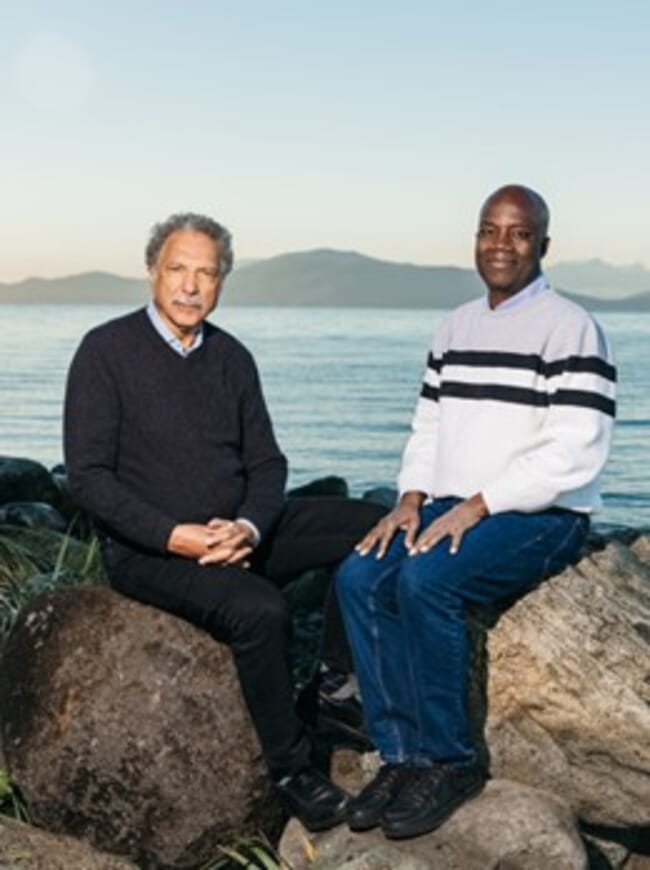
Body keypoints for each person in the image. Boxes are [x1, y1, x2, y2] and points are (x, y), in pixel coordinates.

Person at [63, 212, 385, 831]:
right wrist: (173, 536)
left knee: (370, 524)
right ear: (154, 272)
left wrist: (248, 528)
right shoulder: (105, 351)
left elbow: (268, 463)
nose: (191, 286)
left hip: (234, 531)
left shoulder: (232, 358)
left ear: (221, 282)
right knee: (260, 610)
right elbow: (89, 478)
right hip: (149, 549)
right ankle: (292, 770)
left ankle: (335, 688)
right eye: (178, 269)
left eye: (206, 274)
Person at [336, 184, 616, 839]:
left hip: (542, 516)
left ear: (542, 246)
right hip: (451, 502)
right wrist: (409, 500)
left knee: (425, 581)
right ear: (475, 239)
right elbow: (429, 424)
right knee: (358, 577)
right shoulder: (455, 326)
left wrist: (481, 505)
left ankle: (448, 760)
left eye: (518, 233)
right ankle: (399, 754)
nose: (501, 244)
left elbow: (576, 449)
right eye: (490, 230)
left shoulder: (572, 327)